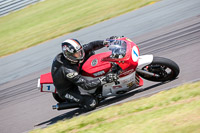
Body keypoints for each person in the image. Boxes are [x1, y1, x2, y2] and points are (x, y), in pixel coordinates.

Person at [51, 38, 118, 110]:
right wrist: (104, 79)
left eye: (80, 52)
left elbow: (91, 45)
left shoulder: (75, 52)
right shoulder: (68, 71)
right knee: (91, 103)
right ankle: (78, 102)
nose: (80, 55)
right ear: (69, 55)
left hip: (75, 71)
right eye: (77, 54)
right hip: (68, 89)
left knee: (90, 52)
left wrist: (106, 42)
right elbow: (86, 85)